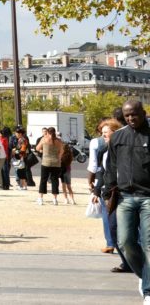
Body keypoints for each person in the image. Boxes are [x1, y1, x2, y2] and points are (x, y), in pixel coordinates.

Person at [105, 100, 150, 303]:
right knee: (124, 242)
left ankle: (148, 291)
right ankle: (145, 275)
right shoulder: (118, 137)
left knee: (149, 245)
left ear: (143, 112)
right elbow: (110, 166)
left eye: (134, 114)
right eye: (127, 115)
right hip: (125, 197)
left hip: (148, 197)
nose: (131, 118)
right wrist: (108, 189)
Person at [91, 118, 130, 273]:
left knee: (131, 230)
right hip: (110, 194)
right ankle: (126, 261)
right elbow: (102, 173)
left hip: (126, 193)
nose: (104, 136)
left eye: (106, 133)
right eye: (102, 133)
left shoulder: (125, 148)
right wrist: (96, 190)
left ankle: (136, 262)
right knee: (113, 228)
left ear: (116, 133)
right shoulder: (104, 150)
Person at [35, 126, 64, 206]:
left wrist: (43, 150)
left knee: (43, 180)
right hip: (56, 163)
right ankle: (55, 199)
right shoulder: (59, 141)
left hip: (46, 162)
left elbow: (37, 148)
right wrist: (59, 158)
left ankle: (41, 198)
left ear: (47, 132)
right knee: (55, 180)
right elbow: (62, 151)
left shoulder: (44, 139)